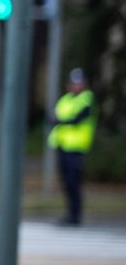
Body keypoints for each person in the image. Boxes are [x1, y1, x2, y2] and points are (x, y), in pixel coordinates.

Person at [49, 67, 97, 226]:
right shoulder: (65, 99)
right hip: (62, 147)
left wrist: (61, 120)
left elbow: (76, 120)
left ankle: (75, 216)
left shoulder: (86, 99)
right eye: (74, 83)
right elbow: (53, 118)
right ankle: (69, 213)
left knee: (74, 183)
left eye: (79, 82)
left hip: (76, 149)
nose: (76, 85)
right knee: (66, 183)